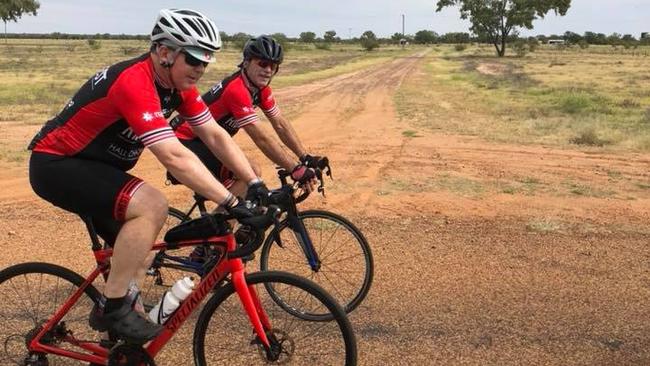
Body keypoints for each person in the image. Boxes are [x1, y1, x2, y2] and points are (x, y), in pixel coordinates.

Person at [28, 9, 269, 343]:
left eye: (207, 61)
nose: (201, 68)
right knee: (152, 206)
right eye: (195, 58)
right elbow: (174, 155)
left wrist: (256, 184)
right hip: (57, 163)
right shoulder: (134, 81)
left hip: (94, 166)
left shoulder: (176, 85)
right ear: (165, 52)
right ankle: (113, 308)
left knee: (146, 249)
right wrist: (230, 201)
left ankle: (118, 341)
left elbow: (214, 134)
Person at [170, 35, 329, 200]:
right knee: (251, 173)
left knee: (250, 176)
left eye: (273, 66)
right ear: (246, 62)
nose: (268, 70)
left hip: (208, 140)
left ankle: (224, 220)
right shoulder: (236, 89)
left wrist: (304, 157)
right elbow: (260, 137)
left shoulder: (261, 90)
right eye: (262, 63)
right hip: (187, 138)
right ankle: (219, 224)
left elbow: (280, 124)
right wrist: (295, 168)